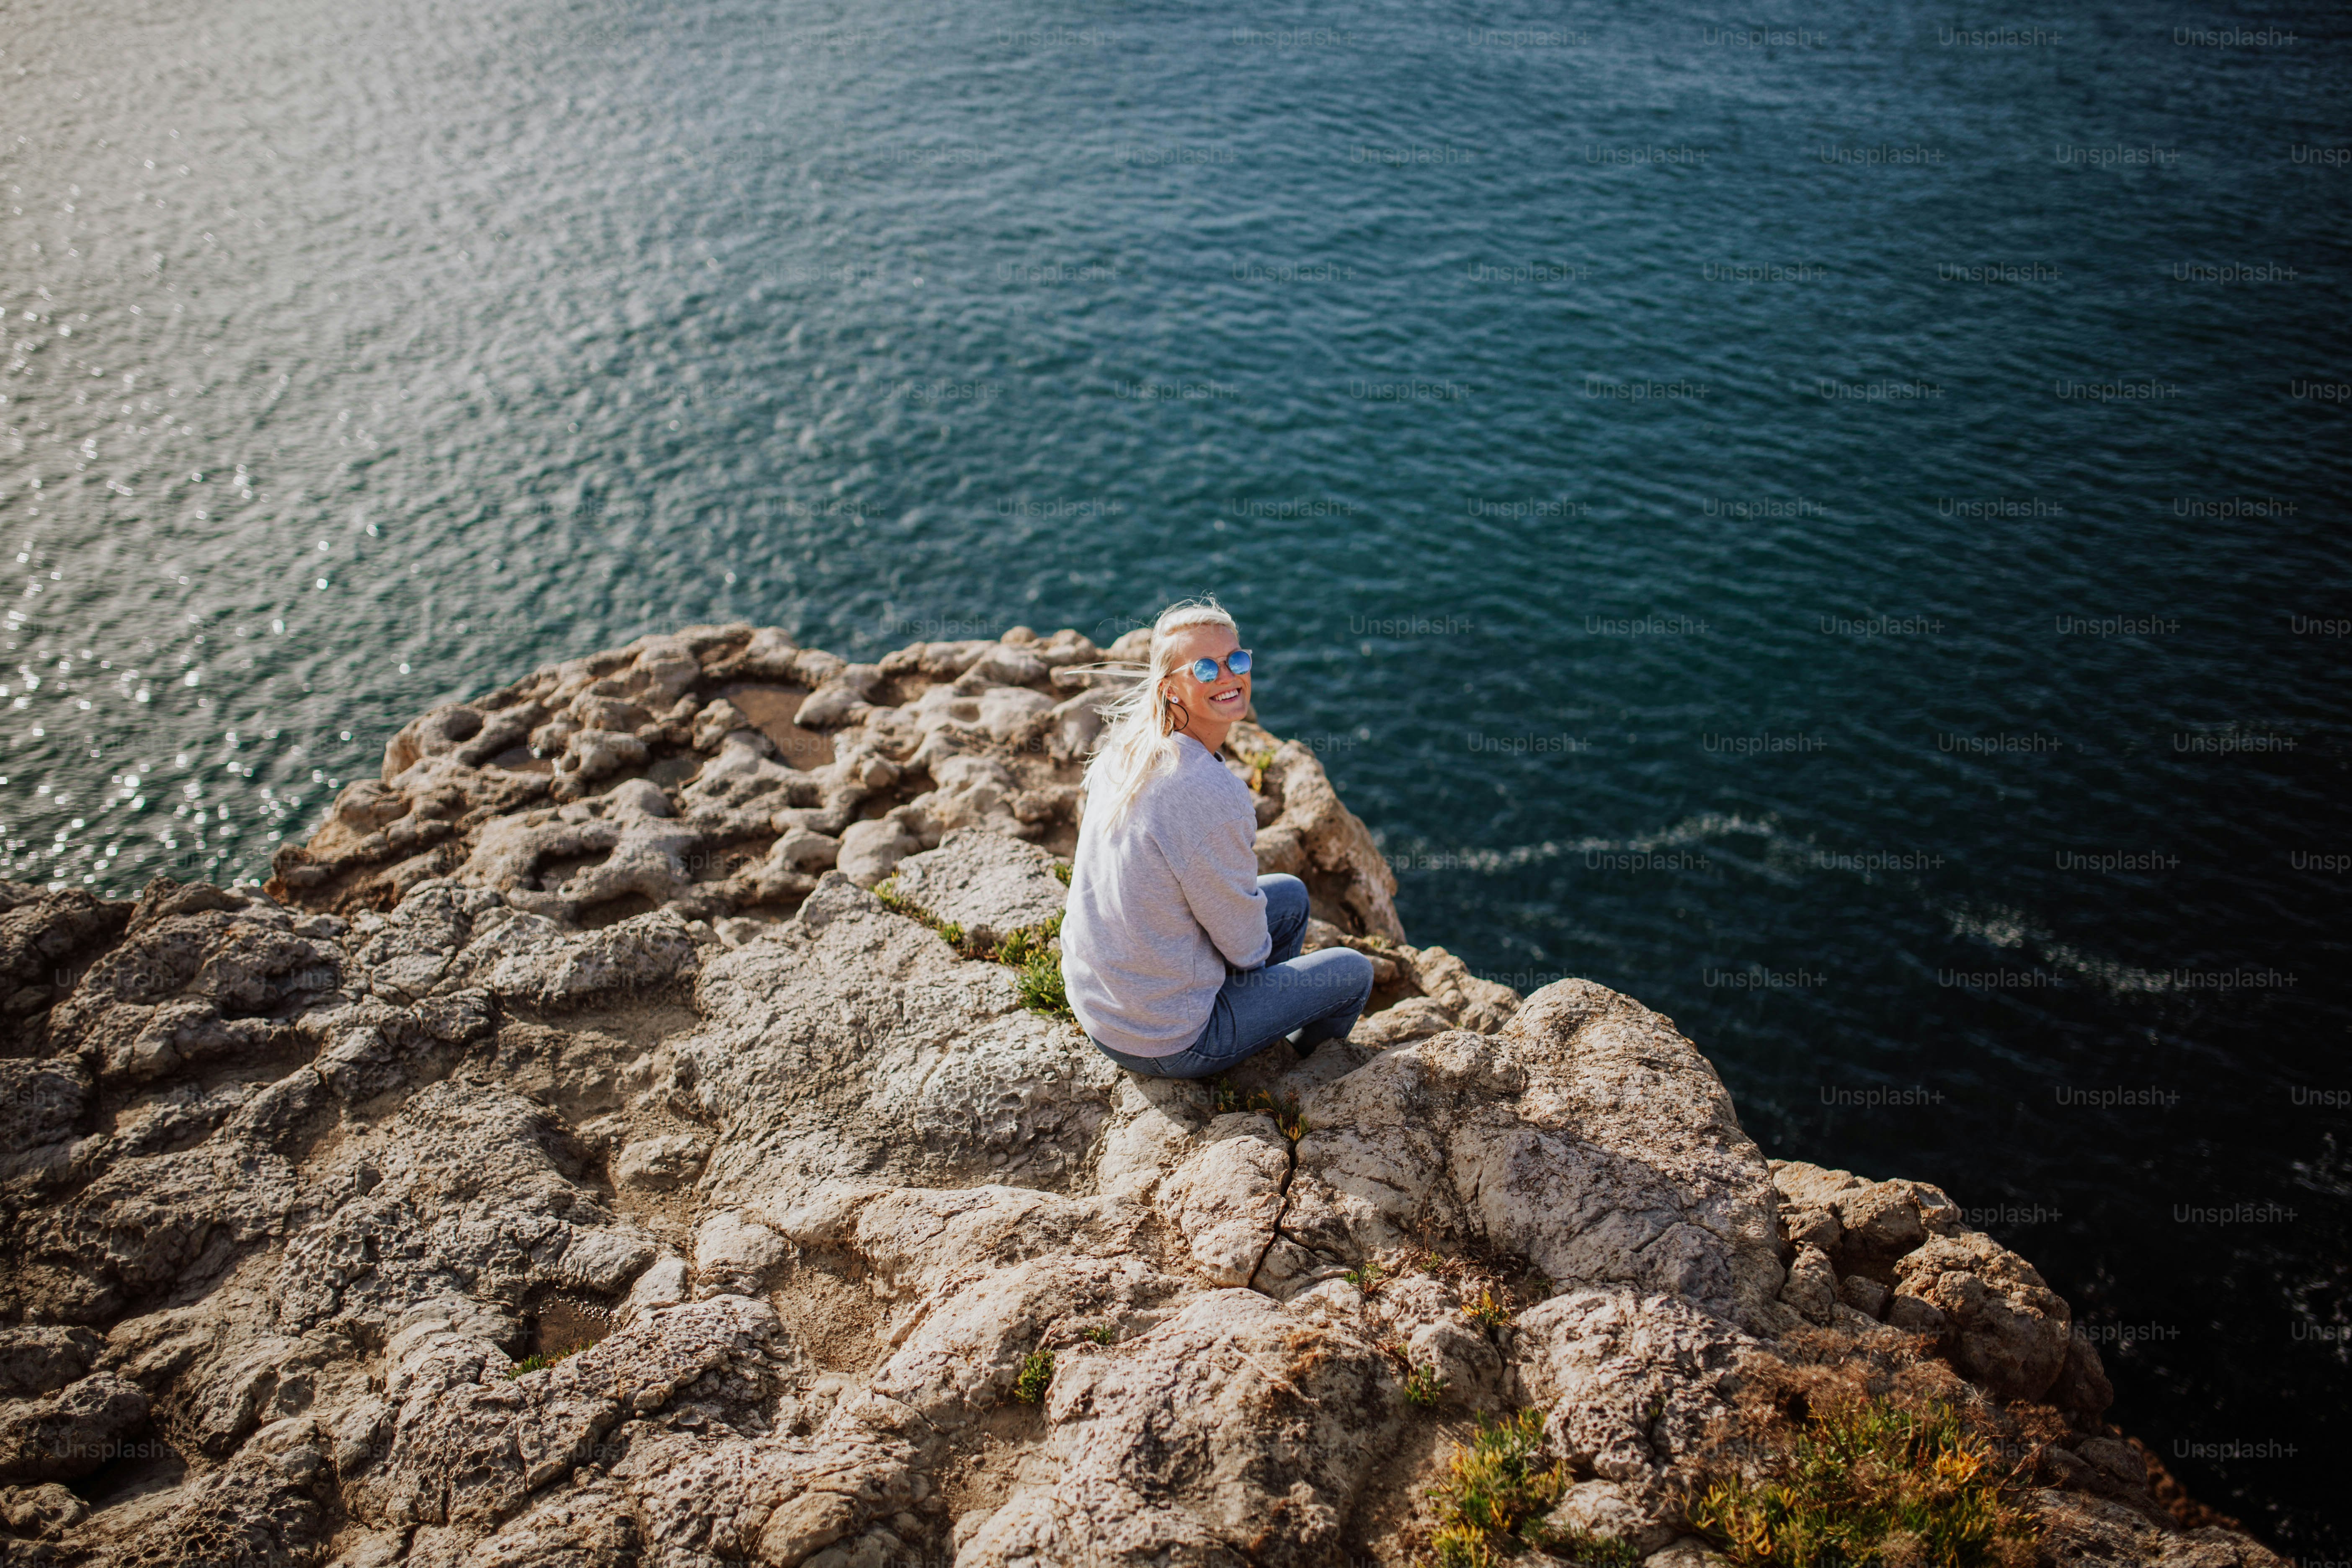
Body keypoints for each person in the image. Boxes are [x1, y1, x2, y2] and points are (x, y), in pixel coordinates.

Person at [1060, 598, 1375, 1078]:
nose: (1229, 677)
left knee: (1290, 895)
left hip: (1101, 1001)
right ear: (1170, 690)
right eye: (1206, 669)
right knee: (1353, 972)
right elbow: (1247, 948)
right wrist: (1252, 965)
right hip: (1164, 1039)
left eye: (1238, 660)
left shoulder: (1130, 747)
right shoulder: (1204, 791)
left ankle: (1250, 1019)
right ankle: (1297, 1079)